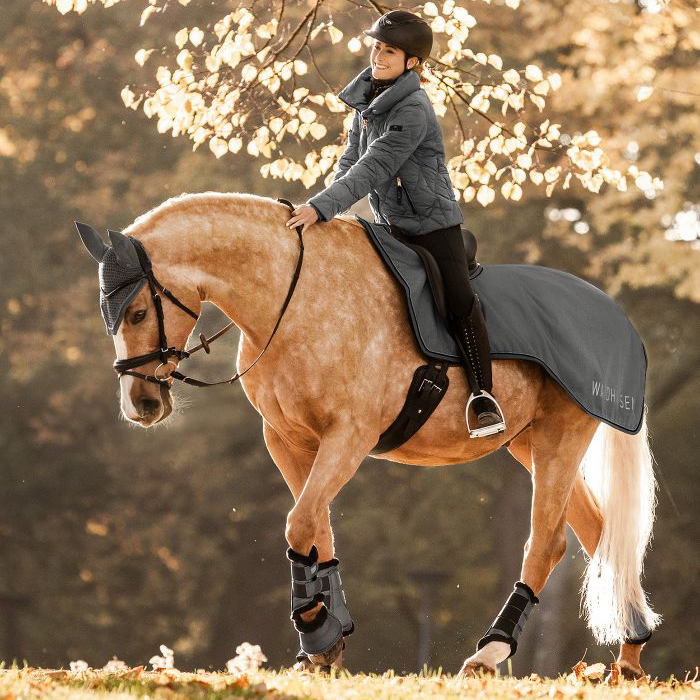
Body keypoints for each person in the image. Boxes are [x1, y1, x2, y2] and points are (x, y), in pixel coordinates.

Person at [286, 10, 505, 438]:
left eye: (389, 51)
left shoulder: (414, 108)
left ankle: (483, 395)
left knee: (459, 299)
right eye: (376, 47)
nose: (378, 56)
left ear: (413, 63)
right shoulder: (368, 102)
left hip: (433, 225)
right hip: (390, 225)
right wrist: (331, 211)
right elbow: (350, 160)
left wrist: (321, 207)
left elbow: (375, 167)